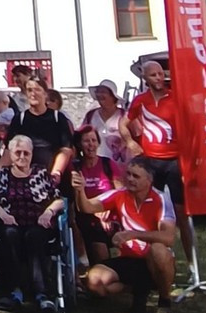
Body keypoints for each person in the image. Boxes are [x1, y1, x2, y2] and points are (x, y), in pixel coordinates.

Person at [73, 156, 177, 313]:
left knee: (159, 250)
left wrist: (132, 234)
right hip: (129, 258)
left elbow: (169, 237)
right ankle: (138, 289)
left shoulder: (161, 199)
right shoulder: (120, 194)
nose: (129, 179)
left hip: (152, 259)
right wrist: (80, 190)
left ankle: (164, 304)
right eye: (128, 174)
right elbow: (87, 207)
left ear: (149, 180)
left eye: (136, 176)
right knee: (94, 281)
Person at [120, 60, 193, 265]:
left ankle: (192, 265)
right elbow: (123, 123)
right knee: (152, 212)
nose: (159, 78)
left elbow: (191, 123)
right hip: (151, 161)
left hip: (174, 161)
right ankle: (156, 261)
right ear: (145, 78)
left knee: (180, 213)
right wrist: (130, 142)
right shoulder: (141, 100)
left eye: (161, 74)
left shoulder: (175, 97)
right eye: (154, 75)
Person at [0, 134, 66, 312]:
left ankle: (42, 293)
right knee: (10, 234)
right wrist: (2, 214)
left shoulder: (41, 173)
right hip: (10, 223)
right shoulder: (2, 175)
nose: (22, 157)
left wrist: (48, 212)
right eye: (17, 152)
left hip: (38, 223)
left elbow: (59, 199)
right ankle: (13, 291)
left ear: (32, 154)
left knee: (33, 235)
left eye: (26, 153)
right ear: (11, 154)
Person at [2, 79, 74, 188]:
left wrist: (56, 173)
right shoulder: (19, 119)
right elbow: (9, 150)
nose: (33, 94)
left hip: (54, 177)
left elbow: (66, 149)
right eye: (29, 90)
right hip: (27, 180)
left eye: (37, 90)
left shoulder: (58, 118)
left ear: (45, 93)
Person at [71, 125, 124, 267]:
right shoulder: (75, 168)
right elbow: (77, 201)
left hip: (110, 212)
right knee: (95, 234)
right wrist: (97, 212)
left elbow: (120, 192)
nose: (91, 144)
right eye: (86, 141)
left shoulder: (108, 164)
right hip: (88, 215)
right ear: (79, 145)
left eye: (94, 140)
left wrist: (109, 211)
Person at [83, 79, 128, 164]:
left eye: (103, 92)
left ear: (113, 97)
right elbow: (81, 137)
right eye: (98, 92)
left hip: (120, 165)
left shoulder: (123, 115)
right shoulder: (91, 115)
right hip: (96, 166)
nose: (99, 94)